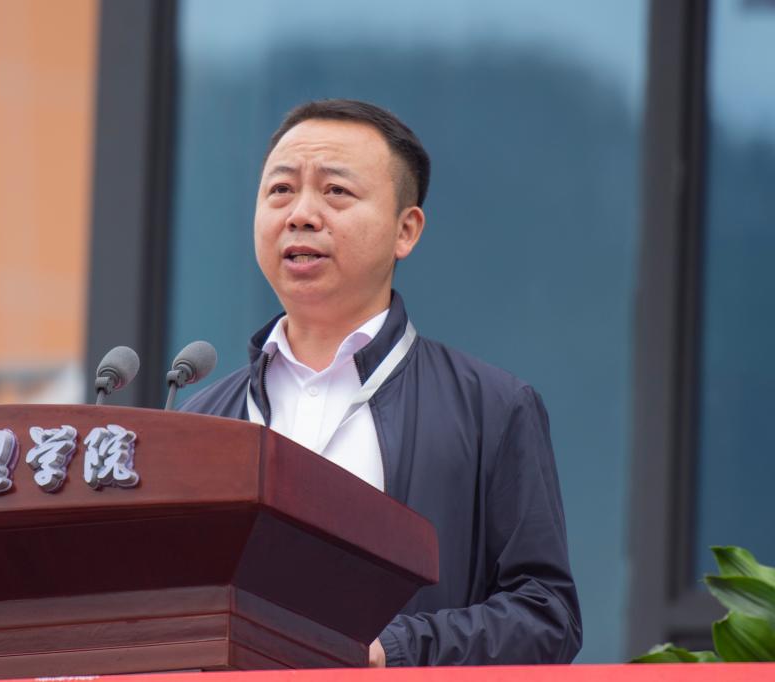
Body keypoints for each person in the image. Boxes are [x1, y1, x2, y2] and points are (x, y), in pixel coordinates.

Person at [180, 99, 582, 666]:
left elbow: (547, 616)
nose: (301, 214)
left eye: (336, 191)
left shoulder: (492, 409)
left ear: (405, 230)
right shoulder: (199, 423)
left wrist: (396, 651)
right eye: (281, 190)